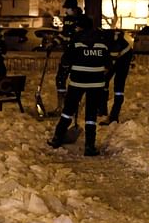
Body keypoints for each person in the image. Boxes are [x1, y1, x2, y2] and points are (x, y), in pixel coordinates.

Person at [47, 15, 110, 156]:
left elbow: (66, 60)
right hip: (97, 83)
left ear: (80, 27)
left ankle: (57, 138)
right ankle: (89, 146)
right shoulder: (101, 39)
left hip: (78, 82)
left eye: (76, 26)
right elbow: (108, 62)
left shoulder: (76, 39)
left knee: (68, 110)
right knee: (91, 114)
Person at [53, 0, 84, 114]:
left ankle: (74, 105)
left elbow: (77, 36)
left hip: (77, 55)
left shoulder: (81, 20)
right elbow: (64, 34)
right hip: (68, 54)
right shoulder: (66, 19)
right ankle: (61, 105)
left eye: (68, 8)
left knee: (75, 80)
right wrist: (54, 43)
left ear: (74, 8)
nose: (66, 10)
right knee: (60, 78)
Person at [100, 29, 133, 125]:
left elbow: (112, 57)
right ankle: (102, 110)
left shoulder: (108, 39)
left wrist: (106, 69)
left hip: (124, 57)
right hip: (114, 56)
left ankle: (114, 115)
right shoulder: (100, 39)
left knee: (118, 87)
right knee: (103, 82)